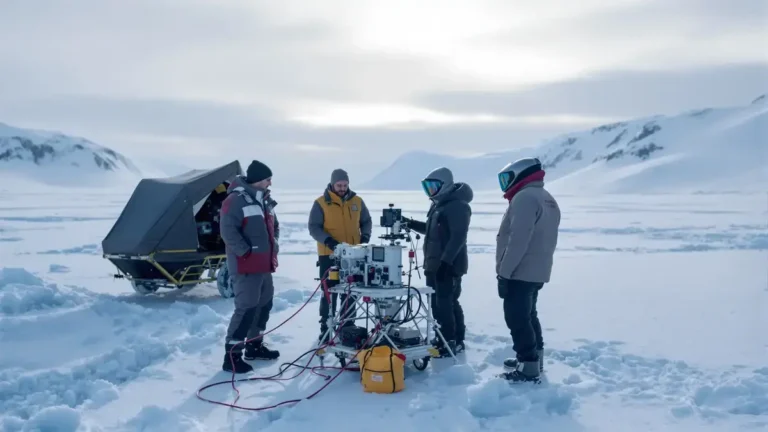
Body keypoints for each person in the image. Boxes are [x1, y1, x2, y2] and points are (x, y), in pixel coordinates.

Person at [495, 157, 561, 383]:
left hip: (520, 270)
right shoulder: (545, 197)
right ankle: (534, 359)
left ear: (520, 175)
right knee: (529, 314)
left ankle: (528, 366)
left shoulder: (524, 198)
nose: (504, 184)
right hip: (537, 269)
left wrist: (504, 272)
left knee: (517, 317)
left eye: (506, 179)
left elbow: (518, 241)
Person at [401, 167, 472, 357]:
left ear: (445, 185)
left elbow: (458, 237)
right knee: (439, 304)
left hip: (448, 266)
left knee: (445, 304)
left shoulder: (457, 205)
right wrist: (410, 223)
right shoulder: (439, 204)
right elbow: (433, 231)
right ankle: (447, 338)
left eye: (433, 186)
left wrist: (445, 263)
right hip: (435, 264)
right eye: (427, 187)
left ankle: (450, 341)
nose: (430, 191)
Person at [219, 160, 281, 374]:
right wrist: (245, 252)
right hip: (245, 265)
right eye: (267, 179)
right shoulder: (235, 200)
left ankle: (254, 346)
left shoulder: (264, 200)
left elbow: (274, 226)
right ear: (256, 180)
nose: (270, 182)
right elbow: (228, 231)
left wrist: (274, 245)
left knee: (263, 305)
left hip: (264, 265)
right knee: (245, 308)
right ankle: (232, 356)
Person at [308, 169, 372, 342]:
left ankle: (348, 325)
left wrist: (365, 237)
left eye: (345, 185)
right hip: (329, 255)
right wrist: (328, 241)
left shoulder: (357, 201)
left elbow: (366, 221)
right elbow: (314, 227)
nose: (342, 188)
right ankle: (326, 327)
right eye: (339, 185)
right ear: (332, 184)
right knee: (330, 291)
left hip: (353, 255)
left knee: (351, 290)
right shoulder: (321, 203)